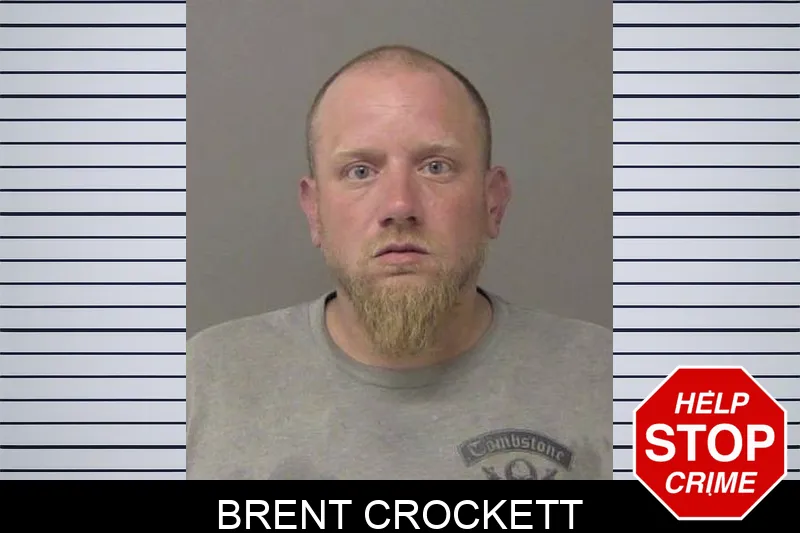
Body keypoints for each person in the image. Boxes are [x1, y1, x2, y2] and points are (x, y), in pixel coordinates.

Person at [186, 44, 612, 480]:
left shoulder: (609, 382)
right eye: (360, 171)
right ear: (314, 211)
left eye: (436, 167)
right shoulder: (201, 383)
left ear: (493, 202)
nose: (400, 205)